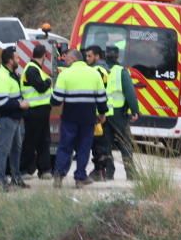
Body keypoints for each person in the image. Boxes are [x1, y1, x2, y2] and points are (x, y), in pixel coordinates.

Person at [51, 49, 108, 188]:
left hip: (70, 117)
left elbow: (57, 100)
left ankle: (59, 175)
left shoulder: (65, 74)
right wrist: (102, 114)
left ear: (73, 59)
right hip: (88, 118)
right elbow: (101, 99)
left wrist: (53, 99)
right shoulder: (94, 74)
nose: (65, 61)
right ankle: (80, 177)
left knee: (65, 146)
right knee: (84, 147)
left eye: (67, 59)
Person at [0, 46, 30, 191]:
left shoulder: (11, 73)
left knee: (16, 149)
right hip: (6, 119)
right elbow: (1, 102)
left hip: (14, 118)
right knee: (3, 150)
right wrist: (20, 105)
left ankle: (16, 178)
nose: (19, 60)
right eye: (16, 58)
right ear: (10, 60)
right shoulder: (2, 76)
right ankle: (1, 181)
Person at [103, 45, 140, 181]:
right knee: (125, 144)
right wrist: (135, 110)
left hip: (103, 114)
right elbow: (130, 93)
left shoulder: (100, 70)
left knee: (105, 144)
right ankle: (131, 173)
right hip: (118, 114)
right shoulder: (121, 72)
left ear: (105, 55)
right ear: (117, 56)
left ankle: (108, 172)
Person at [20, 44, 53, 179]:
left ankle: (44, 170)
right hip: (34, 110)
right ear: (44, 56)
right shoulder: (32, 69)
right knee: (31, 141)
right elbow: (40, 87)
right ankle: (24, 170)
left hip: (41, 110)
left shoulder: (36, 69)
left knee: (43, 141)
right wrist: (49, 81)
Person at [85, 45, 113, 181]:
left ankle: (99, 171)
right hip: (101, 111)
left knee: (97, 144)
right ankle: (100, 172)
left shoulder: (97, 70)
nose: (87, 58)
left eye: (89, 56)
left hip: (97, 113)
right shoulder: (104, 69)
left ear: (97, 56)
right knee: (100, 144)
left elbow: (97, 92)